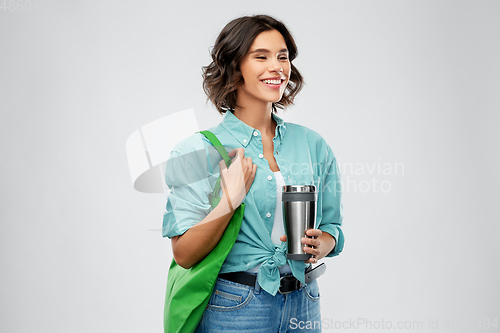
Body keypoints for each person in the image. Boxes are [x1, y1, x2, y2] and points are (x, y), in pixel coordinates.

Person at [163, 14, 344, 332]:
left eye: (283, 56)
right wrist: (229, 201)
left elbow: (332, 225)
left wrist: (326, 241)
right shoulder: (196, 152)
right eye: (261, 56)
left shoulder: (312, 144)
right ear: (235, 67)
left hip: (304, 302)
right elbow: (184, 253)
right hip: (236, 307)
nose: (277, 66)